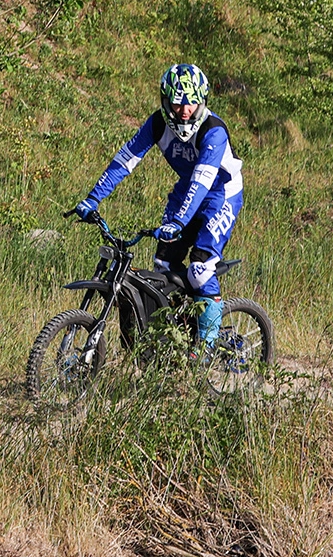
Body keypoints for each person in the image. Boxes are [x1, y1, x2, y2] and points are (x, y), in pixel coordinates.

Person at [73, 63, 243, 352]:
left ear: (202, 101)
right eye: (178, 103)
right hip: (186, 191)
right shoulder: (158, 124)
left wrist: (178, 222)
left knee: (200, 267)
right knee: (163, 268)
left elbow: (203, 180)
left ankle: (207, 350)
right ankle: (173, 339)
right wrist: (92, 199)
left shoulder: (214, 131)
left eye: (192, 102)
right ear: (165, 102)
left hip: (220, 193)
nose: (185, 110)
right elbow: (125, 160)